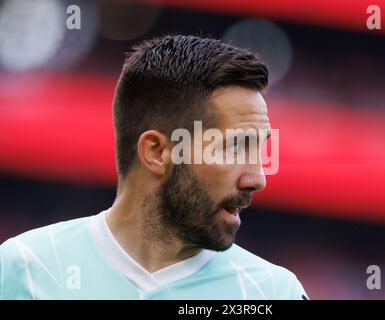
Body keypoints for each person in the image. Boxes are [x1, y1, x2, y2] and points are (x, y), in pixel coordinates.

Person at [0, 35, 308, 300]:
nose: (258, 178)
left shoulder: (272, 293)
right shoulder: (25, 268)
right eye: (234, 147)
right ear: (158, 152)